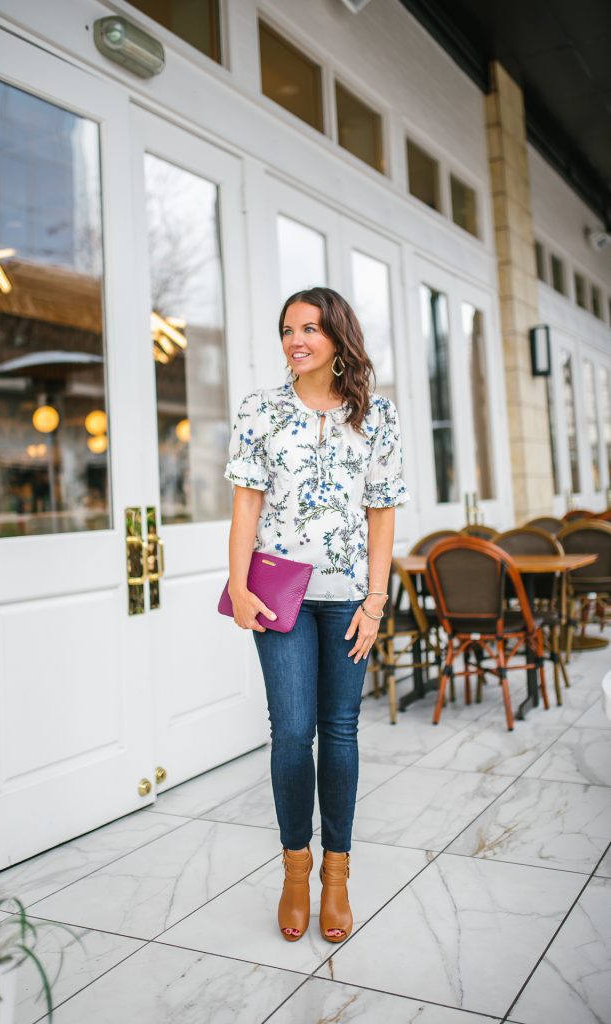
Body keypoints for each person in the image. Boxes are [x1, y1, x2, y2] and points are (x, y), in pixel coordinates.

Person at [223, 286, 409, 943]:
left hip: (351, 599)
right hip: (280, 594)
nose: (295, 339)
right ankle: (295, 871)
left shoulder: (377, 416)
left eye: (309, 327)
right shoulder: (261, 411)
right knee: (291, 729)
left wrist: (377, 601)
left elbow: (382, 515)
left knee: (341, 730)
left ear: (337, 336)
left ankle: (337, 875)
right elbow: (246, 504)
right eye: (286, 329)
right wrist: (236, 582)